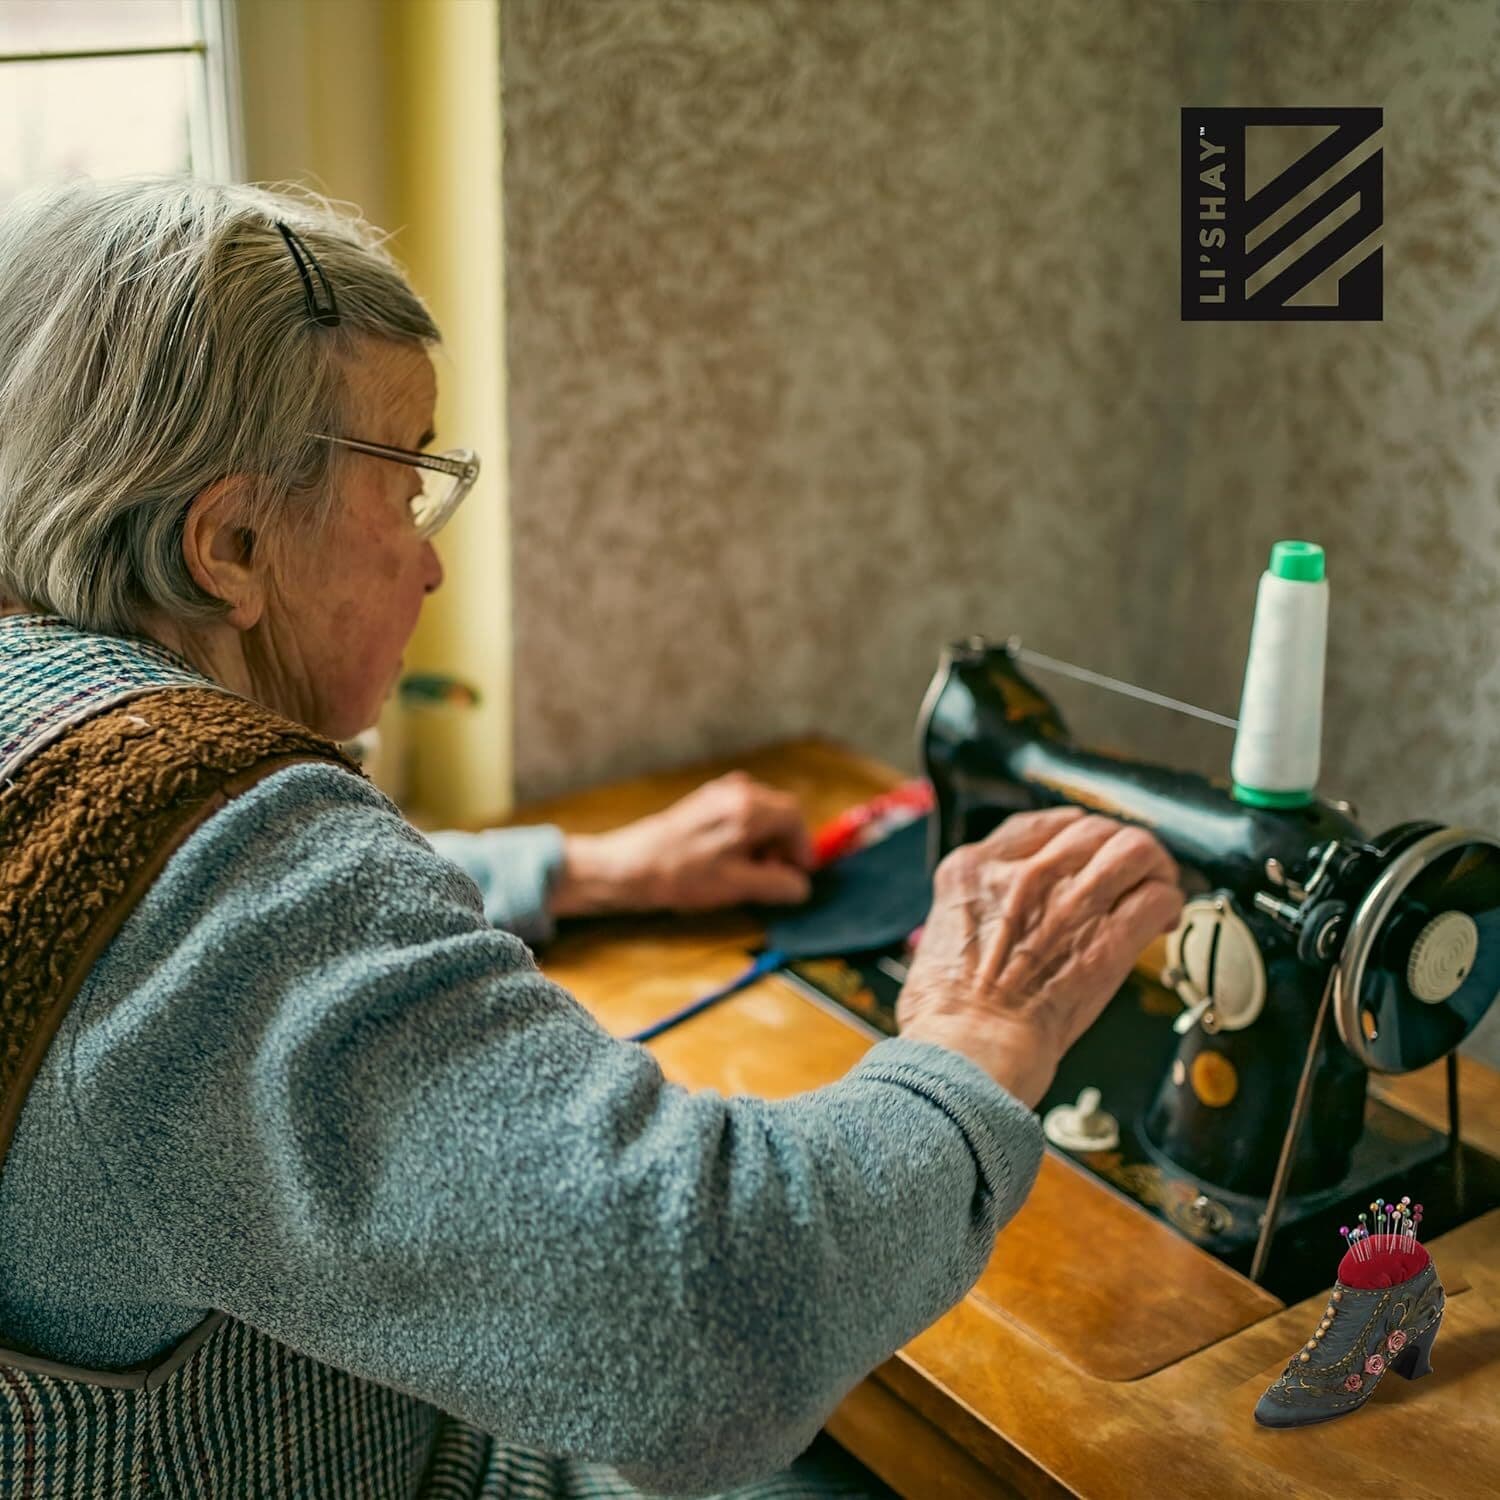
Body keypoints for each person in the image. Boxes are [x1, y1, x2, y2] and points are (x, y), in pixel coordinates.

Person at [0, 177, 1183, 1499]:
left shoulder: (51, 741)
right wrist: (981, 1027)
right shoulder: (224, 869)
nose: (432, 563)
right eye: (414, 478)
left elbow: (165, 937)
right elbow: (715, 1315)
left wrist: (588, 868)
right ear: (229, 542)